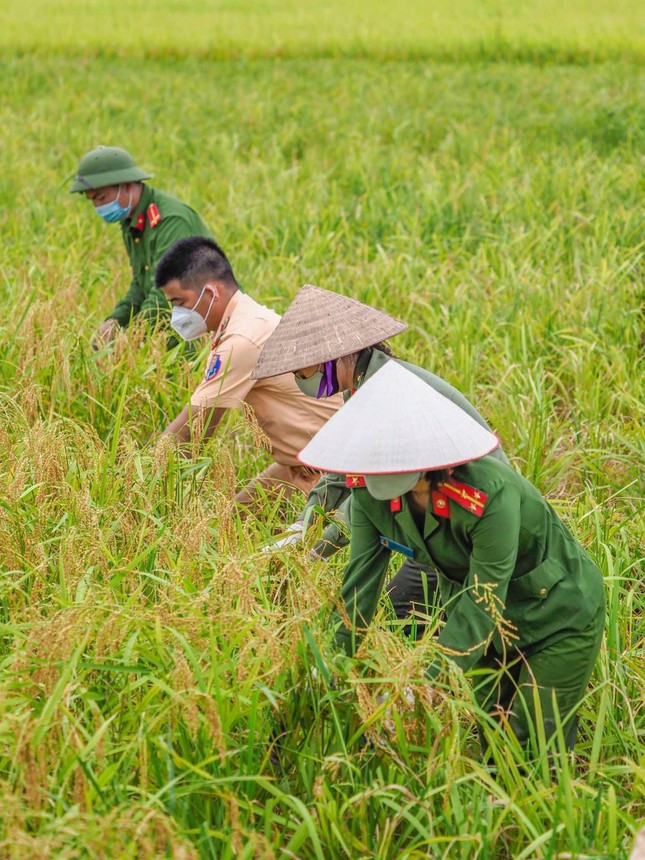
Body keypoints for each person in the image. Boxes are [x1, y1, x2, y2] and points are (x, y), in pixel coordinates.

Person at [298, 361, 606, 750]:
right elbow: (357, 591)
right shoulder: (367, 498)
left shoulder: (488, 494)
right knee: (493, 739)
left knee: (532, 744)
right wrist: (327, 665)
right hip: (478, 628)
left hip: (557, 617)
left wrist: (422, 686)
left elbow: (483, 599)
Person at [251, 284, 510, 632]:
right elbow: (342, 472)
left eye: (303, 370)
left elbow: (365, 493)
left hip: (467, 514)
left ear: (336, 354)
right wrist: (304, 524)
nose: (300, 379)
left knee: (393, 619)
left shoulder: (387, 391)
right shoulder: (362, 386)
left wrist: (316, 549)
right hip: (437, 513)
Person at [154, 238, 342, 506]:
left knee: (250, 537)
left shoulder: (243, 339)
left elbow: (194, 430)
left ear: (211, 293)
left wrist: (142, 480)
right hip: (302, 463)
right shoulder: (247, 321)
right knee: (238, 520)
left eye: (180, 302)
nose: (176, 314)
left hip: (336, 469)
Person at [69, 145, 213, 347]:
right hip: (173, 330)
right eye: (92, 201)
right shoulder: (132, 222)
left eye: (101, 198)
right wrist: (116, 322)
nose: (98, 208)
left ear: (127, 186)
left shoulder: (170, 221)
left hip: (202, 333)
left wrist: (132, 337)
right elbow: (141, 283)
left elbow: (167, 292)